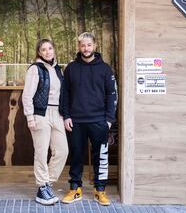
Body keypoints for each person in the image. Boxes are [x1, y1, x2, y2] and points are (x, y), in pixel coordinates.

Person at [61, 32, 117, 206]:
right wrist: (66, 115)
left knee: (100, 156)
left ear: (95, 46)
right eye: (83, 45)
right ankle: (75, 189)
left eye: (89, 45)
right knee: (76, 155)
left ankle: (100, 190)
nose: (86, 48)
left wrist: (108, 119)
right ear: (79, 47)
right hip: (76, 120)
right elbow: (65, 94)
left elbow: (112, 95)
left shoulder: (105, 69)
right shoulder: (71, 68)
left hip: (99, 120)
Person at [22, 39, 69, 205]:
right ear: (39, 53)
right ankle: (42, 189)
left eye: (50, 48)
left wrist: (65, 115)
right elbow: (27, 95)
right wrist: (29, 116)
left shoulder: (57, 69)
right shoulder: (35, 69)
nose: (48, 52)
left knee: (62, 150)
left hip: (57, 114)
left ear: (54, 50)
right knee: (41, 153)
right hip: (40, 114)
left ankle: (46, 183)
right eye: (44, 49)